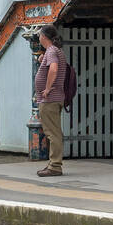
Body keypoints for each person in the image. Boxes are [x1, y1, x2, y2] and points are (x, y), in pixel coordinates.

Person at [34, 24, 67, 177]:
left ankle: (55, 166)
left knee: (53, 134)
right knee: (54, 132)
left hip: (50, 99)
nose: (38, 37)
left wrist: (47, 89)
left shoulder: (52, 51)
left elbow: (53, 69)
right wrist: (43, 60)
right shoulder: (54, 51)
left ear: (44, 37)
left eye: (40, 34)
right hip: (54, 98)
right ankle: (53, 164)